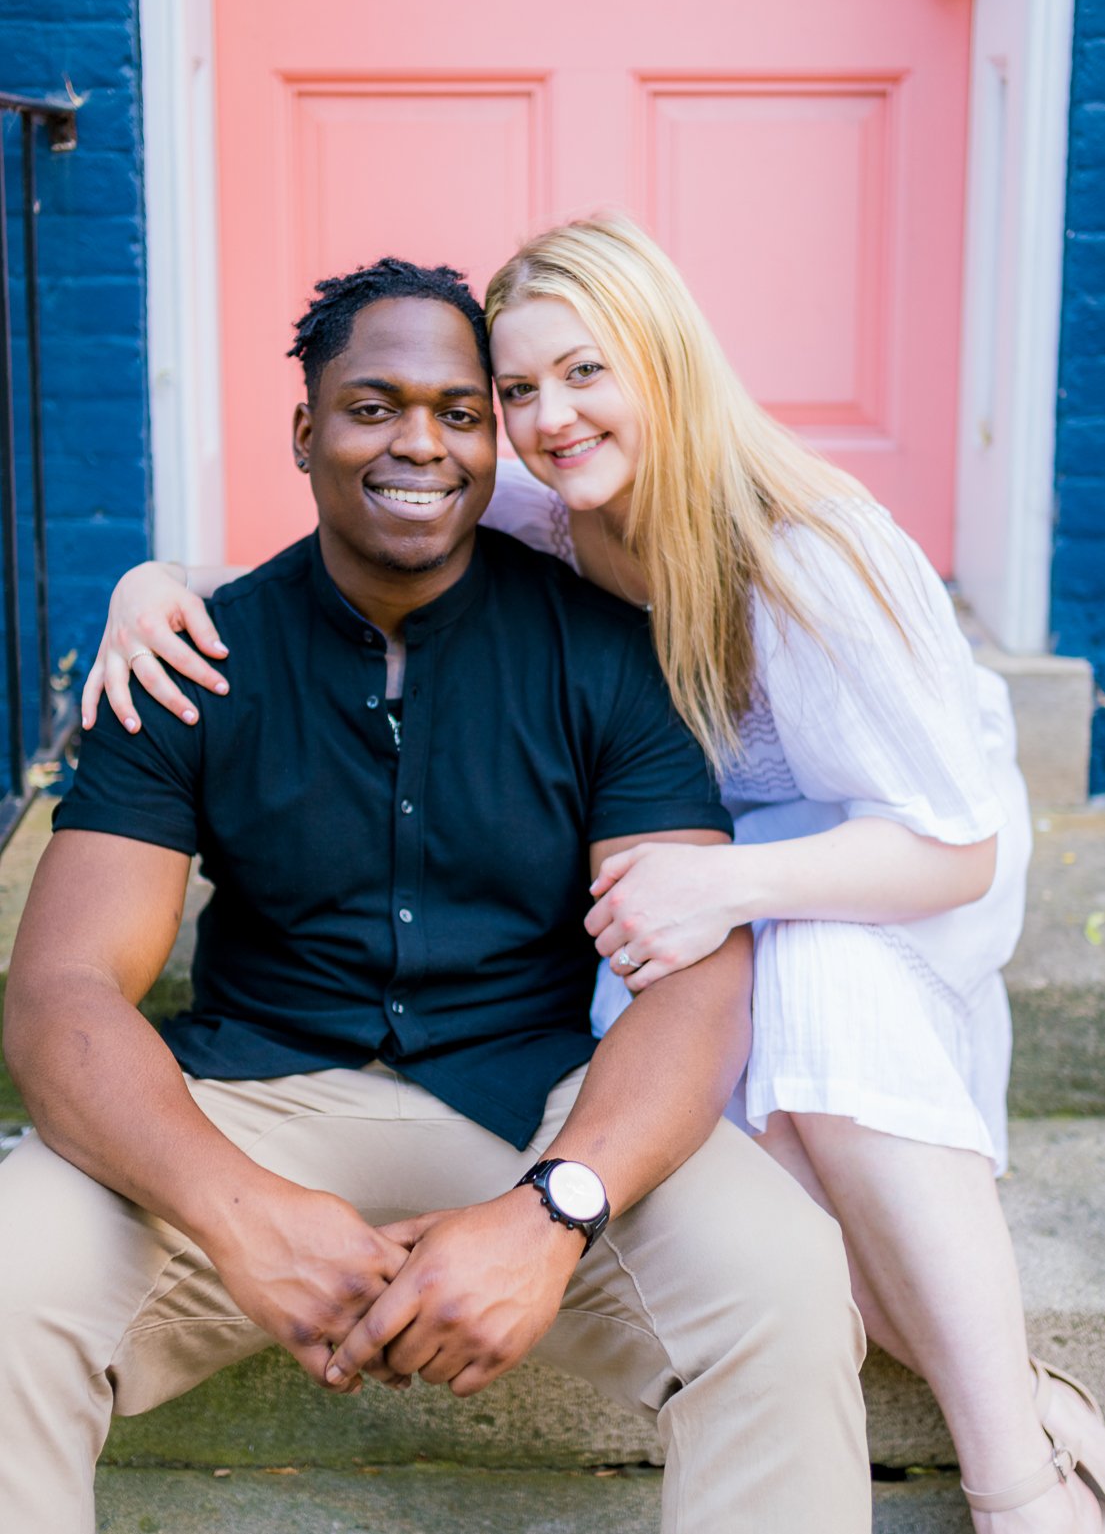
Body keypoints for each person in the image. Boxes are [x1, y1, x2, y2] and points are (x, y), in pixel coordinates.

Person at [87, 218, 1105, 1532]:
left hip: (883, 863)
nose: (550, 418)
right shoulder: (549, 514)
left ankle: (1015, 1471)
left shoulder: (816, 553)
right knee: (743, 1147)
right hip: (691, 867)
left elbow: (957, 845)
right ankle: (1028, 1393)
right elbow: (343, 543)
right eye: (517, 391)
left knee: (816, 991)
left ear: (661, 363)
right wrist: (153, 581)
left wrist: (731, 887)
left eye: (586, 371)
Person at [0, 260, 871, 1534]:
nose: (420, 441)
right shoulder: (192, 658)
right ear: (305, 430)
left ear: (495, 436)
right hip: (250, 1104)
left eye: (461, 411)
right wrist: (239, 1215)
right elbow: (61, 993)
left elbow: (694, 976)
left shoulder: (606, 654)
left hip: (533, 1104)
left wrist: (552, 1209)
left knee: (784, 1284)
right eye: (374, 405)